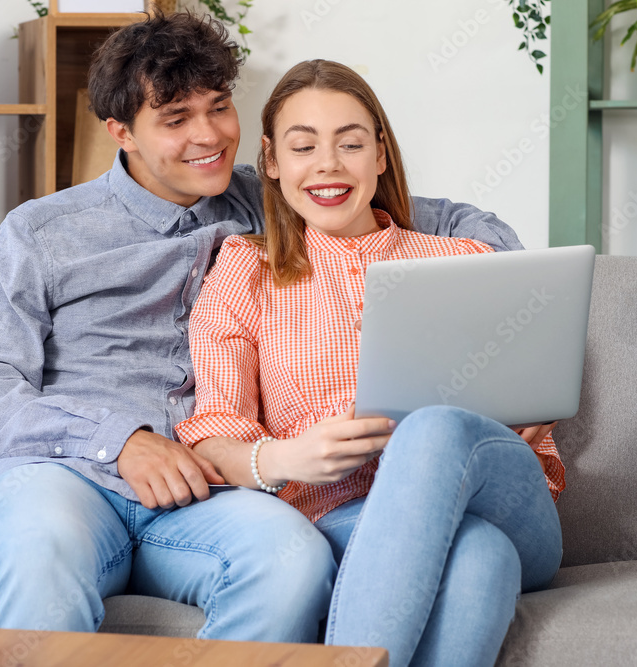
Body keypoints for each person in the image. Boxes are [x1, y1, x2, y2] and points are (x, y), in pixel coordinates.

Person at [0, 13, 529, 642]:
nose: (210, 136)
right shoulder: (42, 232)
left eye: (219, 107)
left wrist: (510, 307)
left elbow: (437, 217)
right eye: (176, 120)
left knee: (294, 562)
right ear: (123, 132)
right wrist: (121, 440)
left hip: (207, 498)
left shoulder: (271, 193)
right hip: (63, 480)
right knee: (43, 555)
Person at [176, 59, 565, 666]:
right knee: (480, 556)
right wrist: (287, 456)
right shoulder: (245, 272)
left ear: (380, 156)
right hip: (343, 516)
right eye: (303, 146)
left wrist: (527, 409)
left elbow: (535, 408)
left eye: (350, 144)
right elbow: (215, 435)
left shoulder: (462, 258)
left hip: (505, 500)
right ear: (272, 164)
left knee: (436, 428)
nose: (328, 164)